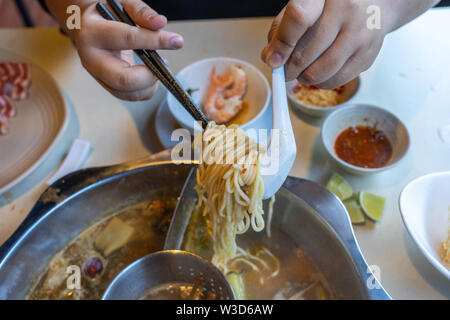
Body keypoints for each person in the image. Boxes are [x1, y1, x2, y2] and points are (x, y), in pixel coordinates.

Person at [41, 0, 440, 101]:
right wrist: (78, 12)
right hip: (162, 31)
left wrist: (383, 9)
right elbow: (77, 8)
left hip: (350, 38)